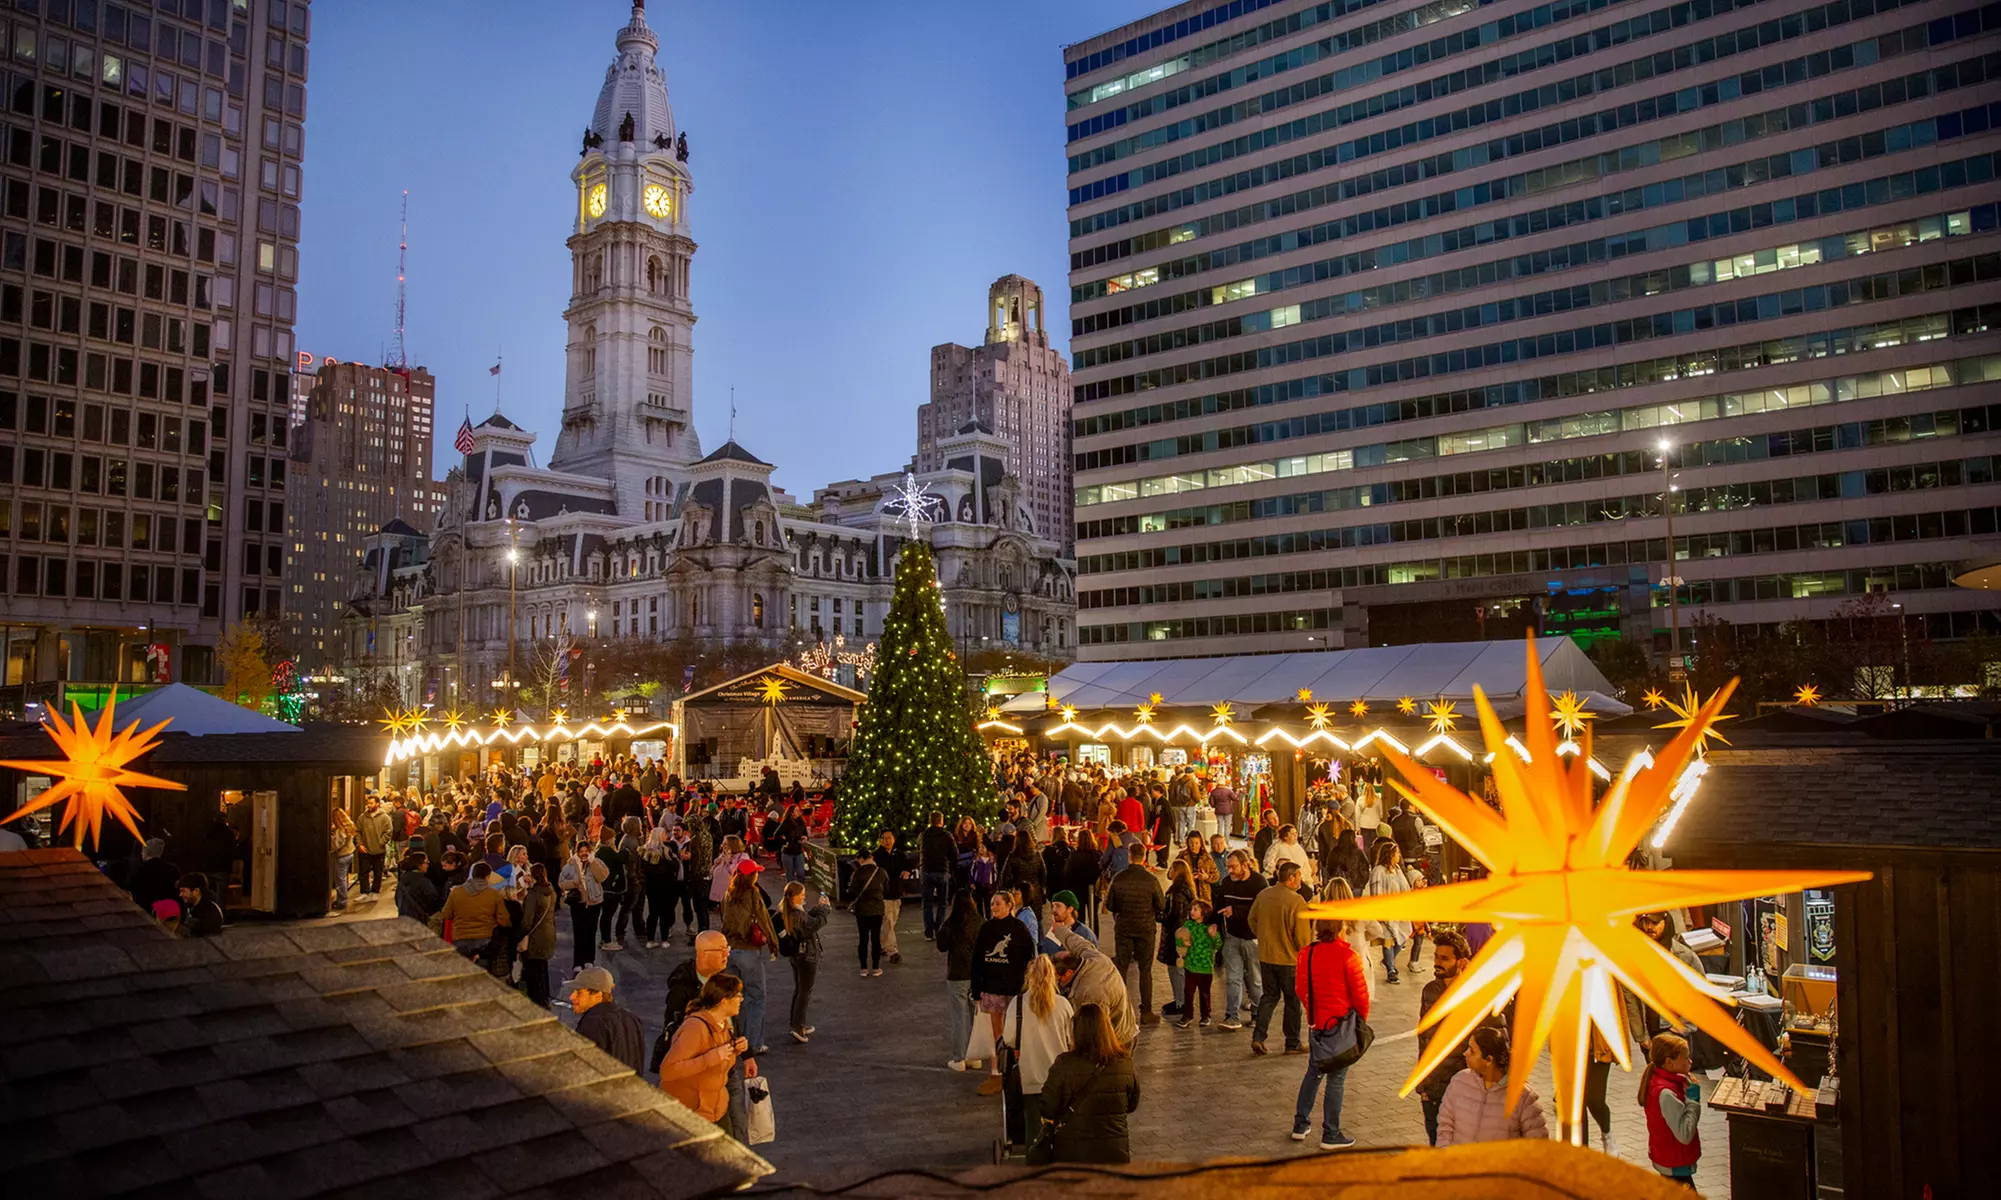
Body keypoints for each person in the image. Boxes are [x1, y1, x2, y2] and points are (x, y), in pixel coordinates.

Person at [1292, 918, 1371, 1149]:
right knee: (1337, 1079)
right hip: (1340, 1025)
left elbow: (1300, 988)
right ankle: (1331, 1132)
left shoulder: (1307, 953)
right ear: (1340, 929)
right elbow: (1360, 996)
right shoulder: (1348, 956)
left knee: (1314, 1071)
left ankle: (1300, 1123)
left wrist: (1311, 1009)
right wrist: (1360, 1021)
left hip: (1316, 1023)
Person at [1033, 1003, 1140, 1164]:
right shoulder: (1124, 1062)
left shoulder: (1064, 1064)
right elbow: (1132, 1104)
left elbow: (1047, 1107)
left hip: (1073, 1153)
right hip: (1114, 1152)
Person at [1000, 951, 1074, 1141]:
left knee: (1033, 1130)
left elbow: (1009, 1039)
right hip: (1059, 1078)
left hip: (1030, 1076)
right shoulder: (1063, 1005)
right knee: (1060, 1128)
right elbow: (1072, 1039)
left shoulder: (1017, 1004)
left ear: (1029, 977)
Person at [658, 975, 749, 1128]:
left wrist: (736, 1050)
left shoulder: (723, 1025)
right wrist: (712, 1057)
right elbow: (668, 1070)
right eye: (737, 995)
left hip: (716, 1109)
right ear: (723, 1001)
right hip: (691, 1115)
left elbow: (719, 1060)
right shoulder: (695, 1028)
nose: (741, 999)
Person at [1435, 1025, 1549, 1145]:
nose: (1465, 1053)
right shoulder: (1459, 1082)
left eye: (1472, 1051)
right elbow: (1445, 1126)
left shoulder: (1523, 1098)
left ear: (1489, 1060)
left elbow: (1538, 1145)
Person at [971, 890, 1035, 1095]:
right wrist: (976, 989)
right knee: (996, 1032)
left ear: (1010, 905)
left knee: (1016, 1030)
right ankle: (997, 1072)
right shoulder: (986, 928)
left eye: (998, 904)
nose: (994, 908)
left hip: (1014, 989)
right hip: (992, 987)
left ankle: (1017, 1069)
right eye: (992, 904)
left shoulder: (1019, 929)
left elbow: (1029, 959)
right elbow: (978, 959)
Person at [1047, 908, 1138, 1048]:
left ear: (1068, 973)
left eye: (1057, 977)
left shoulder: (1088, 994)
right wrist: (1059, 930)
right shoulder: (1093, 958)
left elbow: (1097, 1032)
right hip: (1127, 1029)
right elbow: (1077, 943)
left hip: (1116, 1041)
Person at [1247, 860, 1312, 1056]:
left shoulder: (1264, 895)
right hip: (1289, 960)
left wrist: (1264, 937)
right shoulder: (1296, 901)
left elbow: (1252, 920)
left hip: (1267, 956)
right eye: (1299, 875)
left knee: (1269, 997)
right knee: (1292, 1002)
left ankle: (1258, 1037)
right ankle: (1292, 1043)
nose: (1301, 879)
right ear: (1291, 878)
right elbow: (1302, 937)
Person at [720, 860, 777, 1054]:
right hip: (748, 950)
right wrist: (774, 943)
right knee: (756, 996)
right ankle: (753, 1043)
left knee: (736, 997)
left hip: (730, 949)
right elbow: (763, 918)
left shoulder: (728, 894)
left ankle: (737, 1037)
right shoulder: (752, 893)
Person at [1103, 849, 1165, 1024]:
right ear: (1144, 857)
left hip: (1124, 928)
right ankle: (1146, 1011)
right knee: (1145, 970)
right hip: (1146, 928)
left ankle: (1120, 1009)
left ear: (1130, 857)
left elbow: (1109, 904)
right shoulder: (1151, 880)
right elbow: (1161, 904)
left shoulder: (1119, 878)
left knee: (1122, 967)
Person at [1642, 1032, 1703, 1186]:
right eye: (1685, 1058)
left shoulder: (1664, 1082)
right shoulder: (1666, 1093)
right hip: (1675, 1162)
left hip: (1670, 1159)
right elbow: (1684, 1134)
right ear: (1669, 1062)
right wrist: (1693, 1100)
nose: (1690, 1061)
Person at [1215, 851, 1266, 1030]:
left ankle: (1258, 1015)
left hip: (1252, 939)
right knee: (1232, 978)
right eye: (1228, 867)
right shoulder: (1227, 883)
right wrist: (1212, 923)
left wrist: (1236, 911)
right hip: (1232, 937)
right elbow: (1218, 906)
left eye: (1233, 867)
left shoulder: (1259, 883)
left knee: (1254, 980)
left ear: (1245, 865)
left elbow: (1261, 910)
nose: (1230, 870)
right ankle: (1232, 1016)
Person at [779, 880, 831, 1043]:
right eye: (801, 895)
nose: (804, 897)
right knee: (804, 991)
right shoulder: (798, 915)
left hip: (796, 956)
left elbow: (808, 917)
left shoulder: (788, 911)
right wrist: (825, 909)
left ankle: (796, 1022)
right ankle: (798, 1026)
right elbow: (815, 923)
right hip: (807, 956)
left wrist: (818, 908)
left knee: (799, 989)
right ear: (793, 897)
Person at [568, 965, 645, 1072]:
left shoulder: (593, 1024)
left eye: (579, 992)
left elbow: (584, 1070)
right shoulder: (633, 1019)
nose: (572, 997)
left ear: (598, 995)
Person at [938, 888, 983, 1071]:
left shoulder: (951, 923)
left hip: (957, 973)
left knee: (959, 1017)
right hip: (976, 974)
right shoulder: (980, 922)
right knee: (975, 1016)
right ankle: (975, 1056)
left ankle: (959, 1058)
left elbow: (941, 946)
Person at [438, 862, 512, 965]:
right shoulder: (494, 895)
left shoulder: (456, 892)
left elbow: (446, 915)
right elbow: (503, 920)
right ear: (488, 876)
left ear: (473, 874)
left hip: (460, 939)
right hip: (484, 940)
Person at [558, 842, 609, 974]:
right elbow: (561, 883)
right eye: (581, 851)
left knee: (591, 932)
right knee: (579, 933)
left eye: (586, 851)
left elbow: (602, 877)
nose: (584, 854)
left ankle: (589, 960)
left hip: (594, 902)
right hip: (578, 904)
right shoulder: (570, 865)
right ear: (577, 852)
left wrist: (593, 863)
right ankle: (578, 962)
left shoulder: (596, 862)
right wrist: (574, 883)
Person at [1367, 840, 1412, 984]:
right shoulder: (1378, 871)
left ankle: (1388, 961)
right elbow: (1377, 892)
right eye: (1397, 853)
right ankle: (1391, 970)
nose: (1399, 856)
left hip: (1399, 910)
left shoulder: (1397, 869)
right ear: (1390, 854)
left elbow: (1405, 886)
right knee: (1388, 941)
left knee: (1403, 934)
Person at [1174, 899, 1221, 1028]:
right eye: (1191, 909)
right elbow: (1179, 938)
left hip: (1205, 967)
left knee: (1204, 993)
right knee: (1188, 992)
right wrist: (1182, 943)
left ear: (1204, 912)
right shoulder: (1188, 925)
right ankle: (1187, 1015)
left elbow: (1218, 944)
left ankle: (1205, 1015)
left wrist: (1213, 936)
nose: (1192, 912)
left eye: (1195, 909)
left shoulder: (1210, 928)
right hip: (1190, 965)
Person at [517, 862, 559, 1008]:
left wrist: (519, 936)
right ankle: (545, 997)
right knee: (543, 967)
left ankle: (536, 1001)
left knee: (532, 970)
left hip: (535, 937)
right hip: (548, 934)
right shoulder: (551, 891)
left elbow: (527, 921)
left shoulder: (533, 895)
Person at [1158, 858, 1196, 1016]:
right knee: (1179, 970)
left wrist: (1159, 916)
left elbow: (1172, 915)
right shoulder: (1188, 888)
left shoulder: (1176, 890)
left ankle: (1181, 1002)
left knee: (1176, 970)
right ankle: (1180, 1000)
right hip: (1182, 933)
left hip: (1175, 935)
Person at [640, 826, 681, 948]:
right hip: (666, 886)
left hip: (652, 887)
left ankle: (650, 939)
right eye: (663, 834)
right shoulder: (666, 851)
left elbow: (646, 870)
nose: (666, 836)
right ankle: (664, 939)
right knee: (664, 913)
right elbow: (675, 866)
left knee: (653, 913)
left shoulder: (645, 852)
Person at [850, 847, 889, 976]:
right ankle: (876, 967)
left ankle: (864, 968)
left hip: (862, 910)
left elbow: (853, 891)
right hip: (877, 909)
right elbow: (887, 888)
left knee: (863, 939)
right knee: (876, 938)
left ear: (861, 859)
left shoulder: (858, 873)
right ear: (871, 857)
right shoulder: (881, 871)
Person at [920, 811, 956, 939]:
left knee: (927, 903)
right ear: (941, 821)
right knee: (942, 902)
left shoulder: (925, 835)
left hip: (927, 870)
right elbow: (954, 854)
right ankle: (939, 928)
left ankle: (929, 932)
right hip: (942, 870)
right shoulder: (947, 835)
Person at [875, 828, 909, 964]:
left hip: (896, 893)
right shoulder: (876, 856)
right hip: (883, 894)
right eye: (884, 838)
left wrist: (906, 871)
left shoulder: (899, 854)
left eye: (889, 838)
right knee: (888, 922)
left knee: (891, 922)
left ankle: (882, 945)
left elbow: (908, 865)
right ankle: (892, 951)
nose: (887, 841)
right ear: (880, 841)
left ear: (894, 839)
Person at [355, 796, 394, 897]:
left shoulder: (385, 817)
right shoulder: (362, 817)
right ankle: (365, 892)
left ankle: (375, 892)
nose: (369, 805)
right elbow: (357, 831)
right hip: (365, 849)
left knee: (378, 872)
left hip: (379, 850)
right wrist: (359, 844)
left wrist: (380, 842)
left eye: (371, 803)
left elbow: (388, 832)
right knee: (363, 872)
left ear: (377, 804)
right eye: (368, 803)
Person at [130, 838, 181, 914]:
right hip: (167, 913)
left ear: (146, 852)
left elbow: (133, 889)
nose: (141, 854)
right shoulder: (173, 870)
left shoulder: (140, 869)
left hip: (145, 913)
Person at [1040, 889, 1098, 956]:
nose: (1053, 910)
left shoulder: (1085, 934)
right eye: (1053, 906)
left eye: (1058, 906)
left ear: (1070, 909)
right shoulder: (1052, 932)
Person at [395, 851, 441, 922]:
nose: (428, 865)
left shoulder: (403, 879)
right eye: (426, 862)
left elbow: (397, 899)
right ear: (419, 865)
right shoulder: (422, 881)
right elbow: (433, 899)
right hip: (420, 919)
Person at [176, 872, 226, 938]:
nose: (180, 895)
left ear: (196, 891)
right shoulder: (190, 907)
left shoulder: (211, 912)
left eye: (183, 891)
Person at [329, 808, 358, 911]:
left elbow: (336, 845)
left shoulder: (340, 830)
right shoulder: (348, 826)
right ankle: (342, 899)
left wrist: (330, 845)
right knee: (344, 878)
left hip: (341, 856)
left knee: (340, 879)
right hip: (349, 853)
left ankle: (342, 901)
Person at [777, 805, 809, 884]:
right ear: (792, 813)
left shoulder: (801, 822)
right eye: (796, 810)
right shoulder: (786, 823)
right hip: (788, 851)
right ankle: (791, 890)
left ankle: (800, 888)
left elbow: (805, 833)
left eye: (799, 810)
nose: (799, 812)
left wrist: (805, 837)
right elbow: (776, 835)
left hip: (798, 850)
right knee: (790, 874)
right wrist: (785, 842)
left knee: (801, 873)